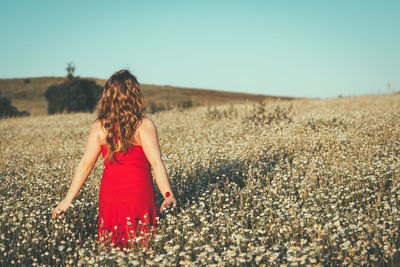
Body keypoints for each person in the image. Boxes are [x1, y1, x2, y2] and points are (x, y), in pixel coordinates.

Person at [51, 69, 177, 251]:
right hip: (138, 193)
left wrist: (67, 200)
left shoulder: (100, 127)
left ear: (107, 97)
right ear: (135, 94)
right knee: (140, 246)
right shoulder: (144, 125)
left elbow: (86, 165)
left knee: (110, 247)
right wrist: (167, 194)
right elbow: (156, 163)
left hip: (111, 195)